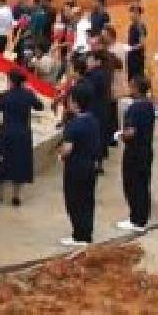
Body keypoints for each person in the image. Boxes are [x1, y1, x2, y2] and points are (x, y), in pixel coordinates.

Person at [0, 68, 44, 206]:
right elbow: (40, 106)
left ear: (11, 81)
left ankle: (0, 192)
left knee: (2, 160)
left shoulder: (3, 96)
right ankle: (16, 195)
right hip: (23, 133)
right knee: (20, 162)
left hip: (6, 132)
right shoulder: (28, 94)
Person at [59, 85, 101, 247]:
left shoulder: (74, 125)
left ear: (75, 103)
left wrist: (60, 155)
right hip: (91, 165)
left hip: (75, 168)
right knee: (87, 201)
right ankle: (86, 233)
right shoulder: (93, 121)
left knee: (74, 201)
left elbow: (67, 149)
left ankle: (79, 235)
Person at [117, 75, 154, 233]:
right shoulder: (149, 105)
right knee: (143, 185)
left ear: (136, 88)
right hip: (146, 150)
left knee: (133, 185)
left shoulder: (135, 108)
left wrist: (120, 135)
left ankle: (136, 220)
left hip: (134, 152)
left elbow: (131, 132)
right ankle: (141, 218)